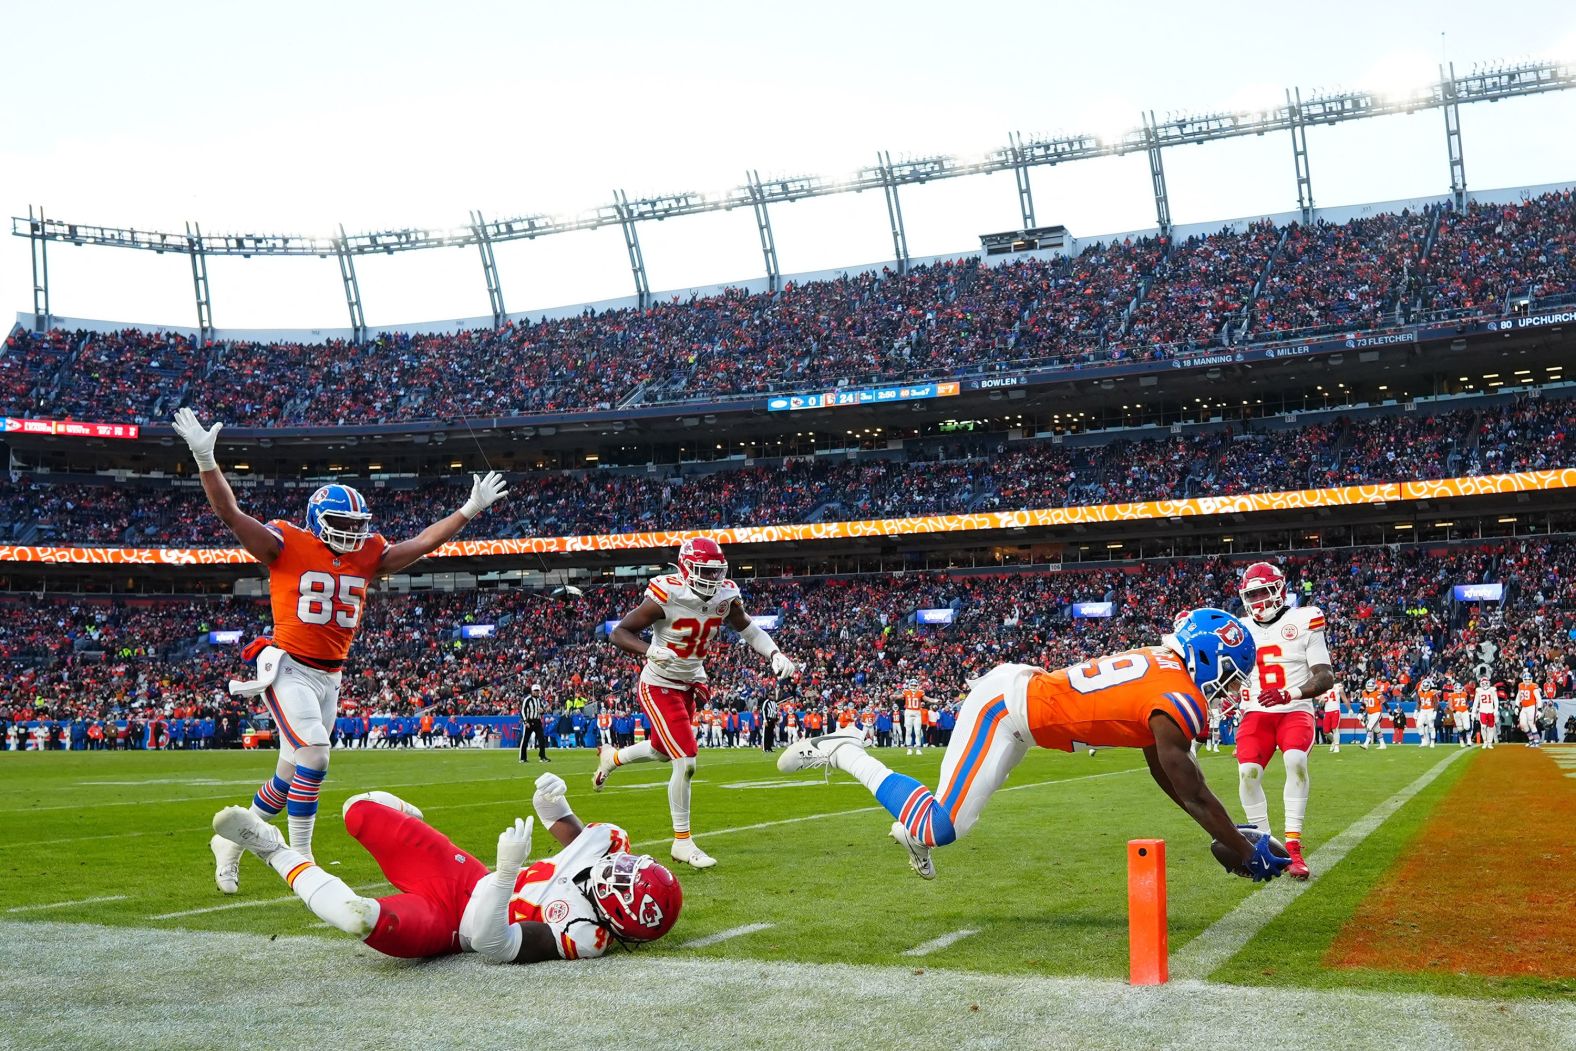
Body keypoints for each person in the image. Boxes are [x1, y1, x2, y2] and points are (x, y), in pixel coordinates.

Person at [172, 407, 509, 895]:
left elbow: (419, 544)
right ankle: (302, 857)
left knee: (290, 773)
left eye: (357, 523)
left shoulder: (368, 552)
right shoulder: (285, 543)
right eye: (340, 522)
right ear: (316, 520)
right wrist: (206, 458)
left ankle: (230, 843)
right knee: (316, 753)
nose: (352, 531)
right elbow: (230, 512)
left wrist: (469, 509)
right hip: (288, 667)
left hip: (331, 675)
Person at [777, 608, 1289, 885]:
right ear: (1208, 656)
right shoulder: (1176, 695)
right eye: (1230, 672)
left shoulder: (1165, 673)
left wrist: (1235, 835)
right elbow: (1193, 791)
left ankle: (909, 831)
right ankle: (846, 751)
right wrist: (1247, 852)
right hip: (1005, 708)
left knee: (941, 826)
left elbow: (1166, 772)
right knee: (941, 825)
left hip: (1022, 709)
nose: (1229, 686)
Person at [210, 774, 680, 963]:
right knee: (357, 809)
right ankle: (411, 817)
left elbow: (495, 946)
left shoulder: (583, 935)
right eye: (629, 865)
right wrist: (550, 798)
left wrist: (505, 875)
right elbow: (560, 822)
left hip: (453, 925)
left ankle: (272, 850)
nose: (619, 864)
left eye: (623, 879)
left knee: (359, 917)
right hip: (464, 878)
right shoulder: (607, 844)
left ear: (616, 911)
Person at [594, 537, 797, 869]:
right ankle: (682, 842)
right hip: (659, 683)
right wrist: (649, 650)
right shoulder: (667, 594)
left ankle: (612, 757)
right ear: (687, 568)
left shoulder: (726, 595)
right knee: (685, 760)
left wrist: (774, 653)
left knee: (663, 751)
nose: (711, 579)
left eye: (716, 572)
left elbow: (748, 630)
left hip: (689, 683)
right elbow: (619, 633)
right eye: (704, 571)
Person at [1231, 563, 1334, 880]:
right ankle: (1264, 846)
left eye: (1264, 591)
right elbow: (1229, 675)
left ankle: (1293, 849)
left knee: (1295, 761)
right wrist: (1237, 689)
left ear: (1280, 589)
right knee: (1247, 774)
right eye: (1253, 593)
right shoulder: (1239, 627)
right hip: (1257, 713)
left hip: (1296, 709)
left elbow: (1325, 676)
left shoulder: (1304, 619)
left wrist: (1289, 695)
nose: (1259, 599)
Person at [896, 677, 942, 755]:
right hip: (908, 711)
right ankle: (909, 748)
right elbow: (898, 696)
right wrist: (893, 696)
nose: (913, 687)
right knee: (908, 731)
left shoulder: (920, 692)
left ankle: (918, 748)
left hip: (917, 712)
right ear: (910, 685)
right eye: (912, 685)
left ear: (917, 685)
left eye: (915, 685)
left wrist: (935, 700)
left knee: (918, 732)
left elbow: (927, 699)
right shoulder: (906, 691)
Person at [519, 684, 549, 763]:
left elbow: (542, 711)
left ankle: (542, 757)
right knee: (525, 740)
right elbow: (523, 711)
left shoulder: (539, 700)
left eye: (537, 691)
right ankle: (523, 758)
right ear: (532, 691)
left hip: (537, 722)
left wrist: (542, 711)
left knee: (542, 739)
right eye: (535, 691)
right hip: (529, 721)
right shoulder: (528, 699)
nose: (536, 692)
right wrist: (525, 721)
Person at [1516, 676, 1543, 747]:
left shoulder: (1533, 686)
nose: (1527, 680)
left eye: (1529, 679)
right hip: (1524, 708)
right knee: (1522, 724)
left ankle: (1537, 741)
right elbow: (1518, 696)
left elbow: (1538, 699)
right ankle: (1531, 740)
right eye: (1525, 679)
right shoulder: (1520, 685)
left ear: (1531, 679)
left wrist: (1539, 709)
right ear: (1523, 679)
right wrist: (1516, 706)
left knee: (1531, 724)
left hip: (1531, 707)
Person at [1360, 679, 1385, 751]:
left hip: (1377, 713)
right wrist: (1360, 712)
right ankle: (1382, 744)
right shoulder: (1364, 692)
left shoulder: (1378, 692)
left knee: (1369, 726)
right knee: (1377, 729)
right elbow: (1363, 704)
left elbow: (1384, 702)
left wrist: (1390, 712)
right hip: (1369, 714)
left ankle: (1366, 744)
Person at [1473, 679, 1499, 749]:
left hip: (1491, 711)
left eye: (1486, 683)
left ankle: (1490, 742)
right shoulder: (1479, 690)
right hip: (1482, 711)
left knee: (1491, 727)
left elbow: (1496, 700)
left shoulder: (1492, 690)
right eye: (1483, 683)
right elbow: (1475, 703)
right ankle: (1485, 741)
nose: (1484, 684)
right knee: (1483, 727)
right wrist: (1473, 713)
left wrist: (1496, 710)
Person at [1415, 678, 1440, 748]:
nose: (1425, 687)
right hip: (1422, 710)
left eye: (1427, 686)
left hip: (1430, 710)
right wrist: (1416, 710)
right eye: (1424, 686)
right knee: (1418, 725)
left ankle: (1432, 742)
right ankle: (1423, 741)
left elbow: (1436, 703)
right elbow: (1418, 703)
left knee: (1431, 726)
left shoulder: (1432, 692)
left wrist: (1435, 712)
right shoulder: (1420, 692)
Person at [1319, 683, 1344, 753]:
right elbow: (1321, 705)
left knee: (1335, 728)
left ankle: (1337, 746)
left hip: (1335, 709)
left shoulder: (1337, 686)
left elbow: (1342, 693)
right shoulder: (1323, 689)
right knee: (1325, 731)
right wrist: (1322, 701)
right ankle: (1334, 741)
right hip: (1327, 711)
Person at [1448, 680, 1472, 747]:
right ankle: (1461, 741)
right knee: (1460, 728)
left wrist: (1467, 706)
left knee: (1467, 726)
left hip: (1464, 711)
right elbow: (1450, 705)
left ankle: (1469, 740)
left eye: (1459, 688)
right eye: (1456, 688)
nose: (1458, 690)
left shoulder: (1465, 694)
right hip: (1457, 712)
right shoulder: (1452, 695)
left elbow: (1468, 700)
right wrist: (1454, 710)